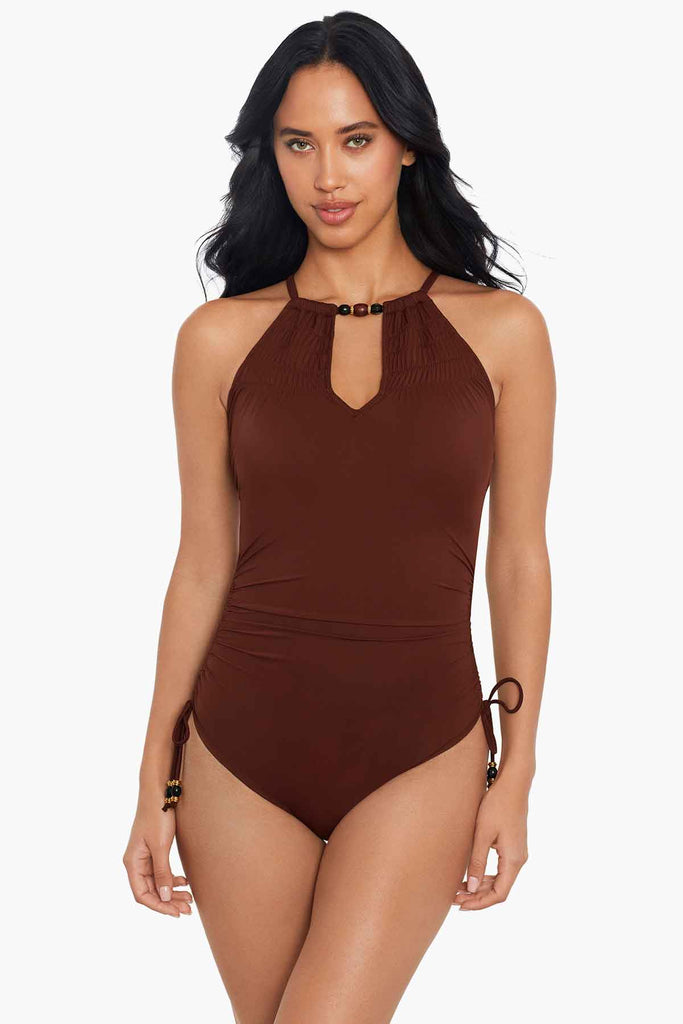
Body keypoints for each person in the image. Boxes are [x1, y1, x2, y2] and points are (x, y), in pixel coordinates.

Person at [123, 11, 555, 1022]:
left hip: (423, 744)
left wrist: (517, 770)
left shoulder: (504, 332)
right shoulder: (217, 339)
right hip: (238, 751)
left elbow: (518, 562)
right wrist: (155, 778)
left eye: (355, 140)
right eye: (298, 143)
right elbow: (201, 563)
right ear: (267, 155)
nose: (327, 176)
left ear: (405, 144)